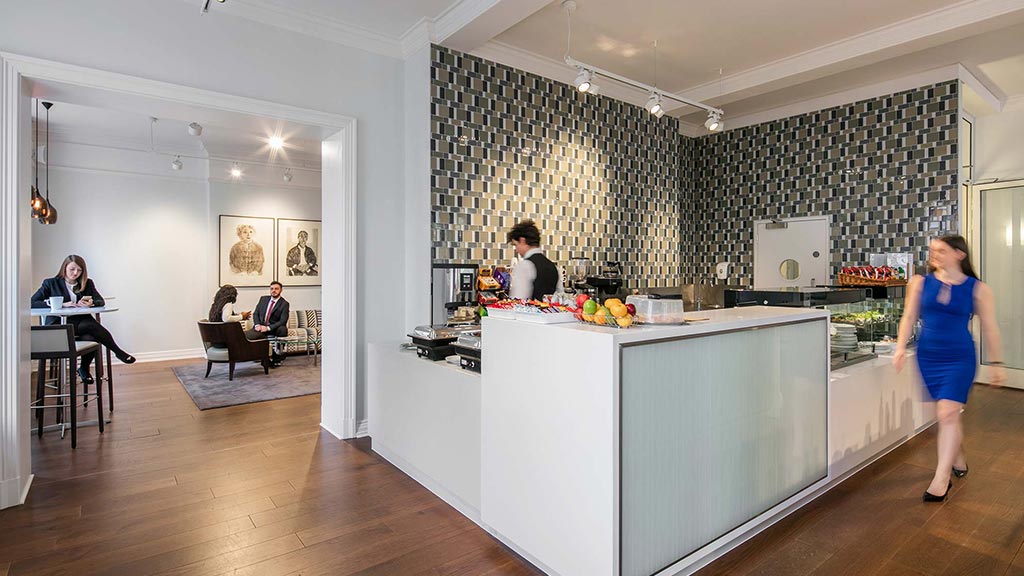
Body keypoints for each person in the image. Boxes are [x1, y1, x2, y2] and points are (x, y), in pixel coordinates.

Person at [893, 235, 1005, 502]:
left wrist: (996, 363)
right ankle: (958, 456)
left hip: (959, 358)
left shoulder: (978, 289)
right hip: (928, 356)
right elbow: (908, 316)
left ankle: (941, 480)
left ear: (959, 254)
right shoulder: (919, 282)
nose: (934, 255)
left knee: (947, 413)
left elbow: (990, 327)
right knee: (946, 416)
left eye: (941, 250)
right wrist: (899, 348)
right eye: (932, 250)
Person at [31, 255, 136, 385]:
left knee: (91, 337)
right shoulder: (51, 283)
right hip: (60, 325)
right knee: (91, 326)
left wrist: (91, 303)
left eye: (79, 270)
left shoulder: (87, 283)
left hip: (81, 325)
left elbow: (100, 301)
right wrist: (60, 304)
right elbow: (32, 302)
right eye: (72, 269)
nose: (75, 273)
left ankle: (84, 369)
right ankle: (118, 352)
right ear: (64, 268)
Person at [506, 219, 562, 300]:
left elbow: (518, 300)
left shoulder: (524, 266)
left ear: (522, 240)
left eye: (516, 245)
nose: (517, 250)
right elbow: (560, 297)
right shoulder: (554, 267)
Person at [245, 281, 290, 367]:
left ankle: (278, 353)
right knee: (248, 336)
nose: (273, 290)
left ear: (281, 290)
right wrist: (257, 325)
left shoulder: (284, 304)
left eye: (276, 289)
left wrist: (268, 328)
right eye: (272, 289)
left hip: (274, 328)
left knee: (283, 329)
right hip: (260, 327)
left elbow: (283, 321)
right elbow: (255, 314)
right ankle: (266, 356)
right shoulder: (263, 299)